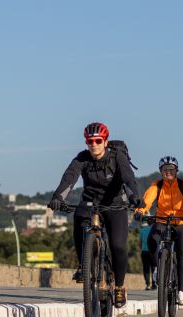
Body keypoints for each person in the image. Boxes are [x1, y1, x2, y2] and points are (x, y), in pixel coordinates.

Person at [47, 122, 141, 307]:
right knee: (79, 219)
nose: (94, 144)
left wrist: (135, 196)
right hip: (90, 202)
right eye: (90, 141)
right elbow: (69, 178)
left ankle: (120, 287)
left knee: (118, 246)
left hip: (115, 204)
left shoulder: (117, 156)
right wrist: (58, 197)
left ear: (105, 141)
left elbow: (128, 178)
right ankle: (84, 265)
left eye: (98, 140)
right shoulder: (82, 159)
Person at [134, 156, 183, 306]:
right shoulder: (157, 185)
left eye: (171, 169)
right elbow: (148, 198)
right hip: (163, 221)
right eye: (165, 170)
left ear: (176, 171)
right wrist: (140, 210)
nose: (168, 172)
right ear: (160, 172)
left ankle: (181, 292)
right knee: (152, 240)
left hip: (182, 222)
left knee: (182, 254)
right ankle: (157, 268)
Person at [139, 222, 156, 290]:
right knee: (154, 268)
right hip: (153, 251)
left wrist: (142, 248)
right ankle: (154, 284)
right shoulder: (154, 230)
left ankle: (148, 285)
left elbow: (139, 243)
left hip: (144, 251)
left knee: (146, 269)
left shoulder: (142, 230)